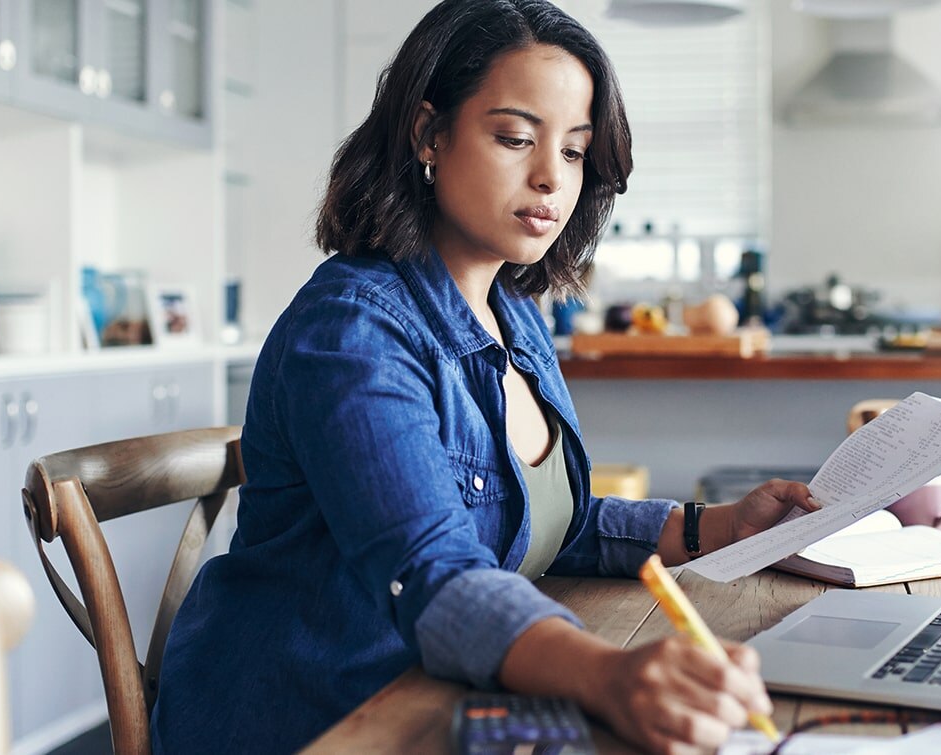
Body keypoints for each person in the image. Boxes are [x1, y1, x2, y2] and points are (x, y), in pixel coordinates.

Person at [150, 2, 818, 752]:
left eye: (572, 151)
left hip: (438, 700)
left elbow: (537, 526)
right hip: (319, 719)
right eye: (514, 138)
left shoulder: (517, 314)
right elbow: (435, 571)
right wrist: (608, 675)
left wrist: (721, 527)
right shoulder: (353, 332)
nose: (549, 179)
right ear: (429, 133)